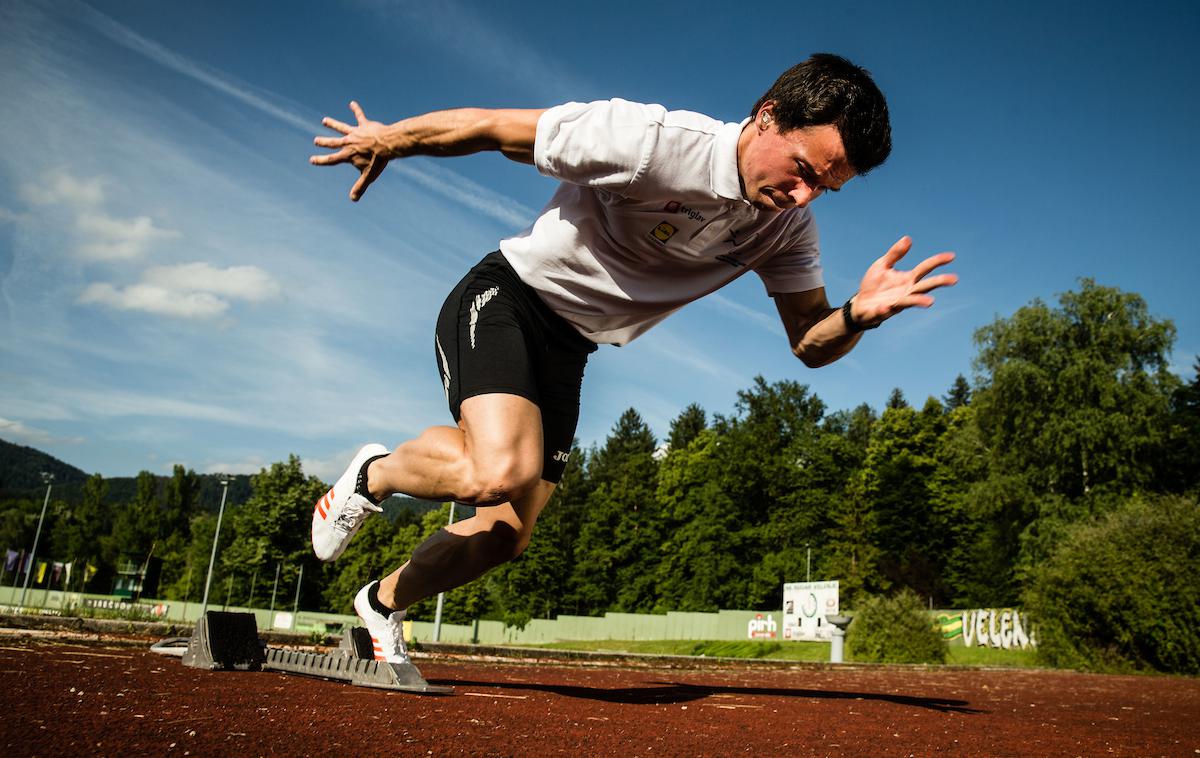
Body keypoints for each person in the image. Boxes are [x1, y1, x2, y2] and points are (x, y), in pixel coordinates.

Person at [308, 53, 957, 662]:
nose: (804, 197)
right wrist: (387, 139)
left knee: (506, 534)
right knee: (500, 469)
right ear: (767, 116)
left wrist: (855, 316)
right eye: (805, 170)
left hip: (573, 347)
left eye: (825, 189)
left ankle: (380, 603)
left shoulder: (785, 227)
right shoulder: (651, 141)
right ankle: (375, 475)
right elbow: (494, 127)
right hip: (509, 298)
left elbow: (810, 342)